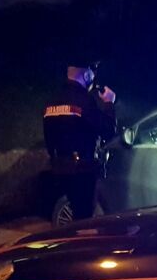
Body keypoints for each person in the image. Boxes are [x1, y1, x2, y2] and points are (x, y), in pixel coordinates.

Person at [42, 57, 117, 221]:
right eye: (93, 72)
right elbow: (108, 130)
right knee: (83, 218)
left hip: (59, 167)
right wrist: (109, 104)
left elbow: (48, 137)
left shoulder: (52, 99)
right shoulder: (84, 100)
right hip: (82, 169)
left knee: (70, 214)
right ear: (86, 75)